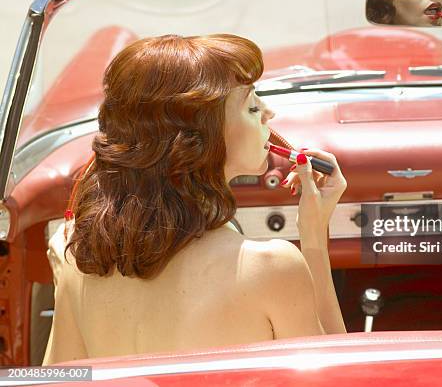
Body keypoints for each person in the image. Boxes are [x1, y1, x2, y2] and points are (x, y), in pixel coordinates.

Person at [43, 34, 347, 364]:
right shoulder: (271, 268)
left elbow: (55, 379)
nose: (268, 114)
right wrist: (314, 239)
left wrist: (66, 288)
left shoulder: (79, 258)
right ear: (202, 137)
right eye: (252, 106)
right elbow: (337, 374)